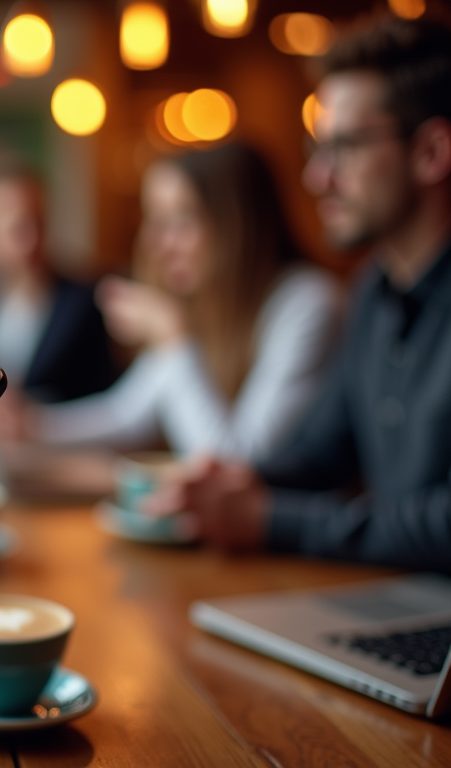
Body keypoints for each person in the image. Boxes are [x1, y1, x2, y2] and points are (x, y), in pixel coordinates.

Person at [147, 15, 451, 573]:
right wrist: (237, 483)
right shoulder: (372, 293)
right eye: (318, 149)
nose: (318, 178)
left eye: (344, 149)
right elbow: (321, 453)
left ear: (431, 151)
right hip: (389, 602)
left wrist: (269, 519)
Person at [32, 142, 341, 463]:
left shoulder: (308, 303)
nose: (156, 243)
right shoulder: (202, 300)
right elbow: (127, 416)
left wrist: (173, 338)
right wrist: (31, 424)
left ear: (238, 224)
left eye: (182, 220)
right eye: (154, 220)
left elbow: (237, 465)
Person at [0, 170, 121, 403]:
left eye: (39, 223)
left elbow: (107, 402)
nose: (33, 240)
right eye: (18, 228)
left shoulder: (84, 304)